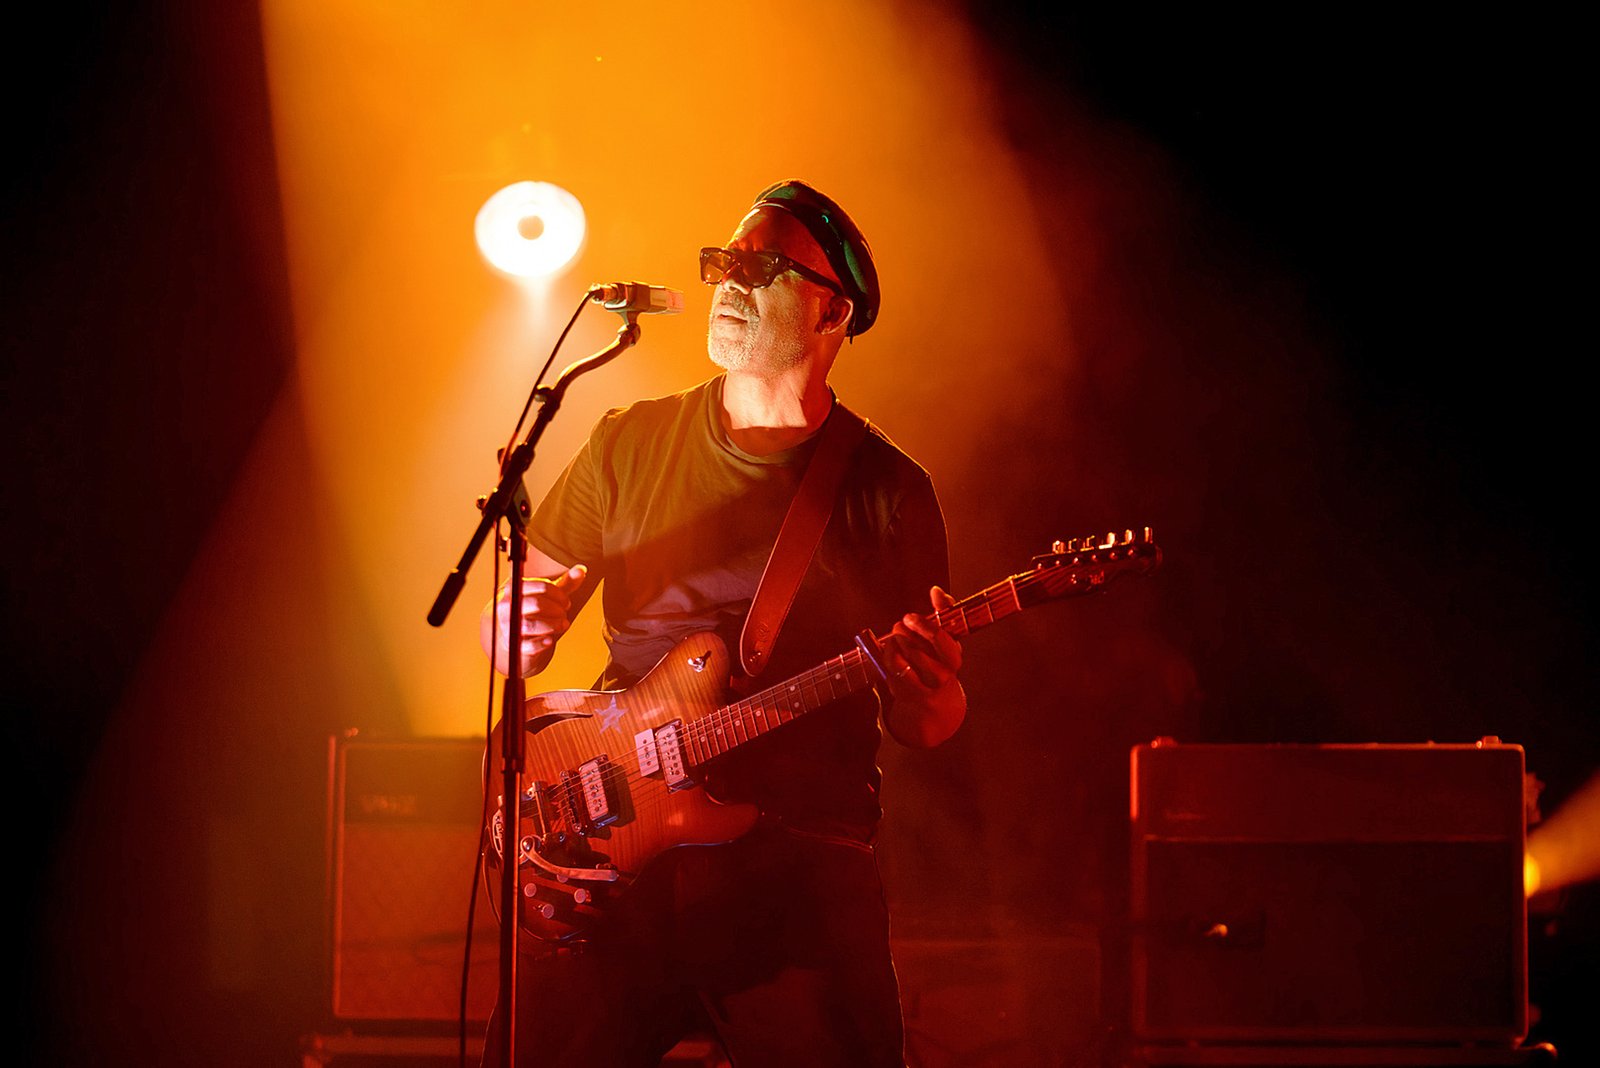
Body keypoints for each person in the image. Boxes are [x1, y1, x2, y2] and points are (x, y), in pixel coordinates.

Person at [477, 179, 966, 1068]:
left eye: (764, 267)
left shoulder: (889, 491)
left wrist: (933, 689)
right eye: (725, 264)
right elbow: (506, 635)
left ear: (831, 311)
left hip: (797, 873)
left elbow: (927, 724)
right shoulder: (627, 441)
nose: (730, 284)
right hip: (616, 854)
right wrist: (520, 623)